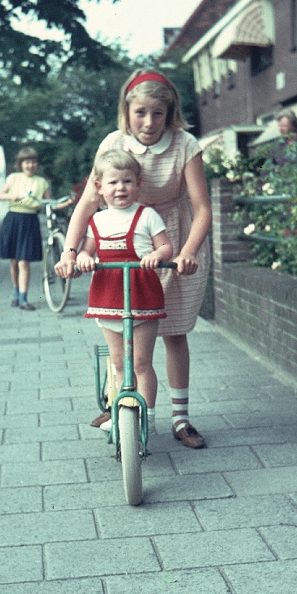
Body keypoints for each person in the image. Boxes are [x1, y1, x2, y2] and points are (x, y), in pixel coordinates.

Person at [55, 69, 212, 448]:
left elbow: (202, 206)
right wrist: (71, 250)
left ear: (170, 112)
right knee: (123, 334)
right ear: (127, 112)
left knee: (173, 332)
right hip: (120, 239)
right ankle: (120, 404)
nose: (148, 122)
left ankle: (180, 418)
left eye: (158, 113)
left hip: (169, 240)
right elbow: (90, 201)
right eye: (140, 112)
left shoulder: (184, 144)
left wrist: (188, 251)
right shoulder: (115, 142)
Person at [76, 149, 173, 436]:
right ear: (99, 188)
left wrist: (157, 255)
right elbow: (87, 250)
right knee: (119, 362)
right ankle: (120, 414)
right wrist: (82, 258)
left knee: (141, 362)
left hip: (142, 295)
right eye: (113, 182)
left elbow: (167, 246)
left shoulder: (147, 215)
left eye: (128, 181)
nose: (121, 188)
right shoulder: (98, 220)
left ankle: (149, 416)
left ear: (138, 183)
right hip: (108, 296)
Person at [0, 146, 50, 310]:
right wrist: (12, 195)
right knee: (14, 261)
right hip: (14, 219)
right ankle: (16, 291)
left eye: (33, 162)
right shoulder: (13, 178)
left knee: (24, 261)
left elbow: (49, 201)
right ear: (21, 164)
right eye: (27, 162)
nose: (30, 165)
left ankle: (24, 299)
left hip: (30, 221)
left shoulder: (41, 182)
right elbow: (0, 195)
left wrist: (67, 203)